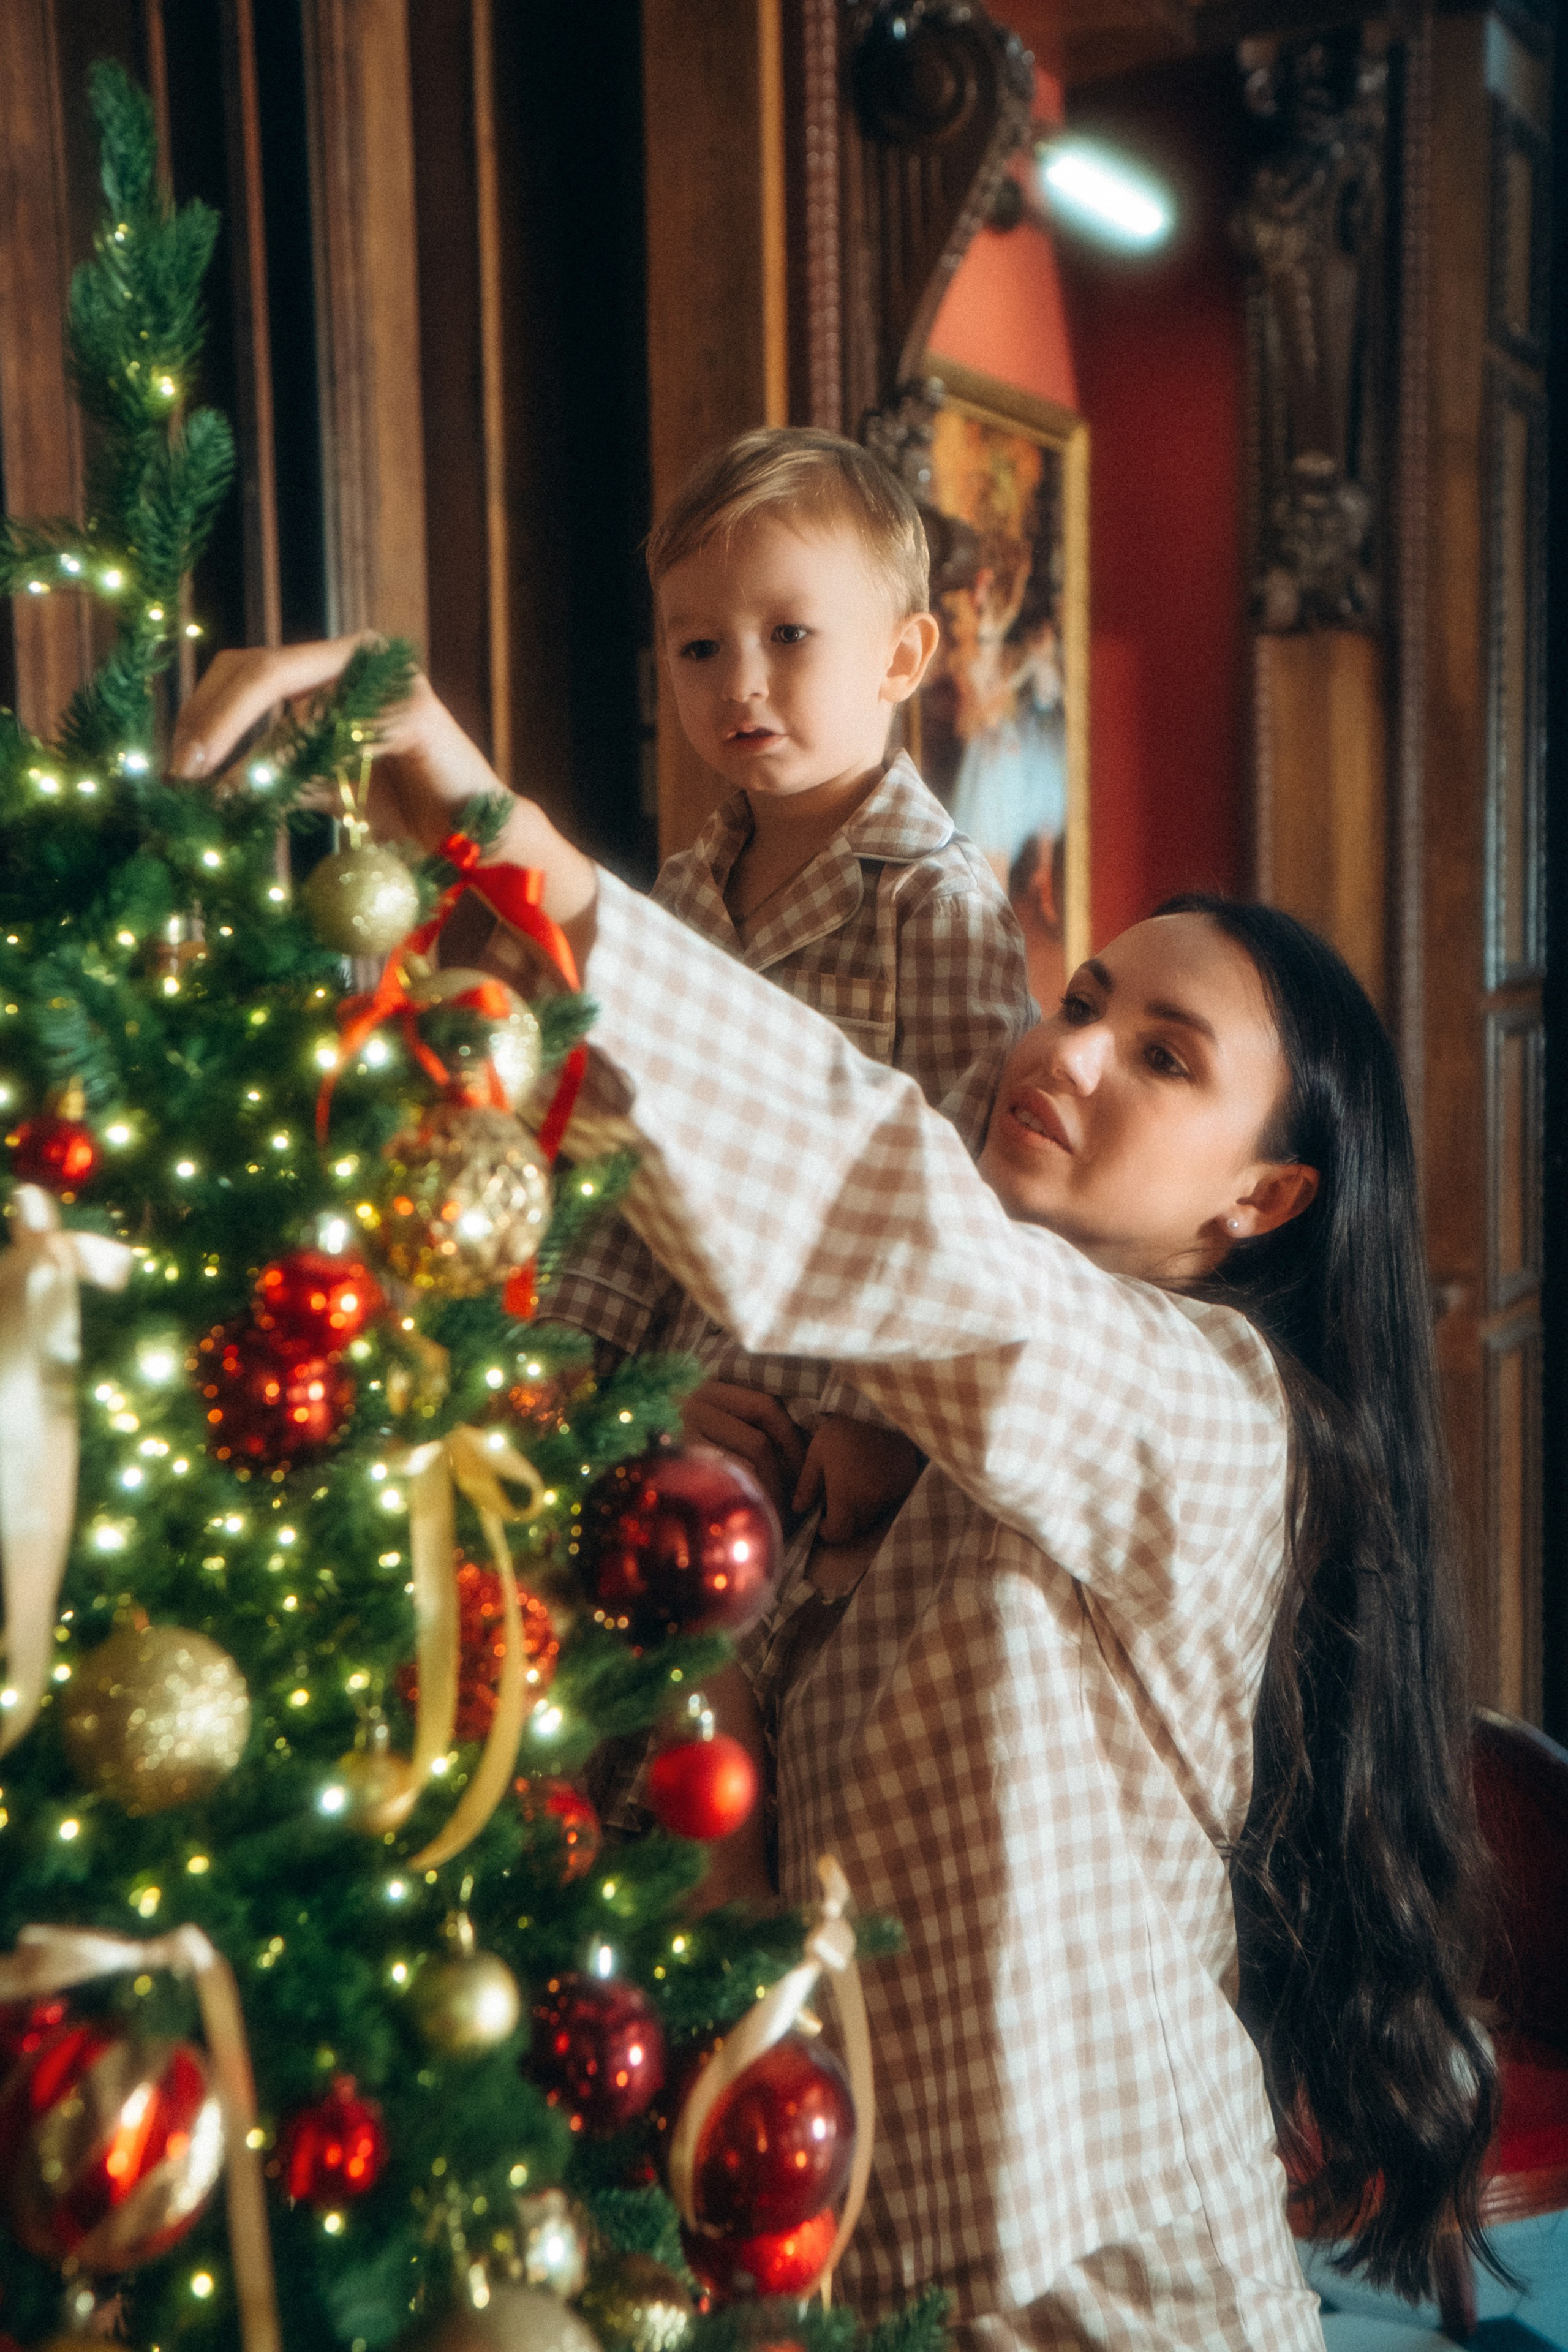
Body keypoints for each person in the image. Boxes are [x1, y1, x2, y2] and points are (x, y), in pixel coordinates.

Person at [173, 646, 1499, 2352]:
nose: (1071, 1052)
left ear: (1263, 1198)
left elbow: (898, 1218)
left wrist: (518, 852)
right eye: (1084, 1000)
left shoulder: (1219, 1418)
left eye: (1165, 1059)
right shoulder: (905, 1414)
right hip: (847, 2267)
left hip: (1105, 2288)